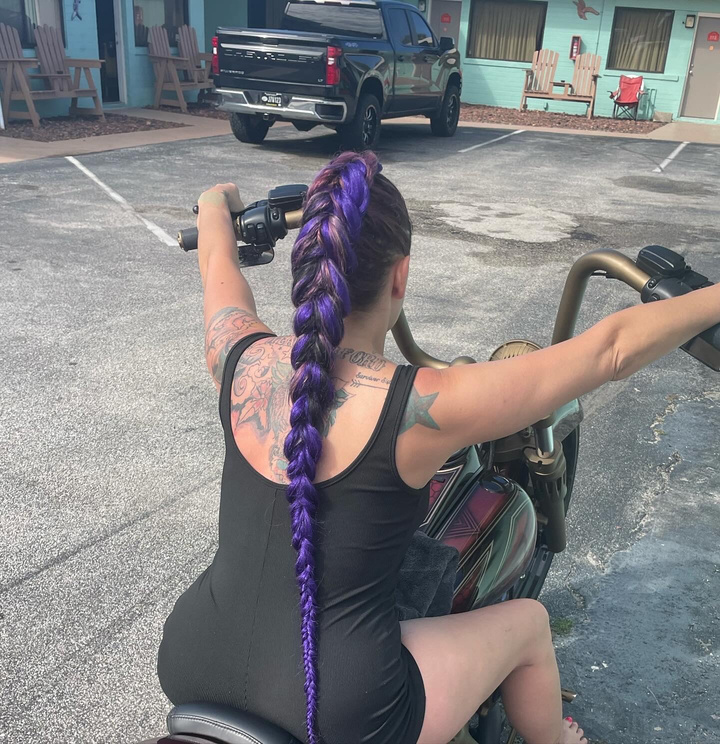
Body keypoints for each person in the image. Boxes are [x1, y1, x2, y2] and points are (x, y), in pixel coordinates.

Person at [157, 151, 720, 744]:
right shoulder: (424, 406)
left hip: (193, 656)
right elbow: (612, 350)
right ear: (400, 275)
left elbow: (219, 261)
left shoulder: (238, 356)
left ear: (305, 269)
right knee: (529, 624)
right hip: (341, 705)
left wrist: (216, 205)